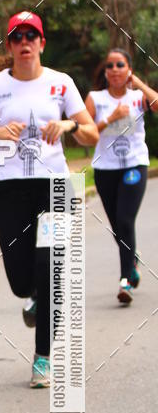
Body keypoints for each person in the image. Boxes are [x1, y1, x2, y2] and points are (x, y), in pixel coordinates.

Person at [0, 11, 98, 388]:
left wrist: (69, 125)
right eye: (16, 36)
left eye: (31, 35)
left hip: (57, 187)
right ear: (9, 46)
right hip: (9, 188)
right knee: (20, 280)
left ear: (42, 43)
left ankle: (43, 357)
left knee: (50, 268)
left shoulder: (61, 84)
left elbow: (92, 132)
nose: (24, 42)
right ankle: (34, 297)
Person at [84, 49, 158, 304]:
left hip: (134, 165)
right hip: (106, 168)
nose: (115, 69)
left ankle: (125, 278)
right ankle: (132, 258)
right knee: (117, 225)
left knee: (125, 220)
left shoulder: (138, 97)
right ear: (105, 72)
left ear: (128, 69)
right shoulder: (96, 98)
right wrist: (109, 118)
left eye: (120, 64)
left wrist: (137, 83)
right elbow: (84, 133)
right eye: (110, 65)